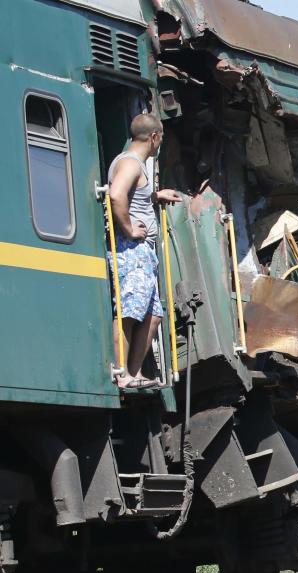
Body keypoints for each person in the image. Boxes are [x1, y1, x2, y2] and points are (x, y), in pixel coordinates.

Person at [107, 113, 181, 388]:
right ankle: (122, 373)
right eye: (161, 138)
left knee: (153, 314)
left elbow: (133, 196)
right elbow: (116, 194)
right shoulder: (130, 163)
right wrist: (128, 229)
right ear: (154, 137)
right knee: (128, 312)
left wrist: (156, 196)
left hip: (143, 251)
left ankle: (134, 372)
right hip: (132, 250)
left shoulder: (135, 164)